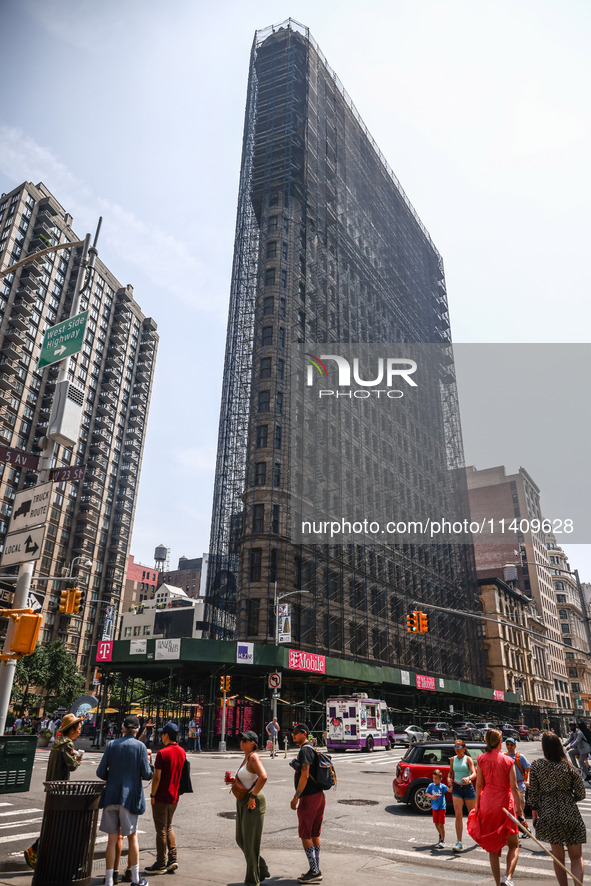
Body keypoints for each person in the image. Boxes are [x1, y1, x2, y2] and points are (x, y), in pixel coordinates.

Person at [96, 714, 152, 886]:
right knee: (132, 837)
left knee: (112, 840)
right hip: (129, 799)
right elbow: (147, 773)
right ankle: (135, 879)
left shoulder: (112, 745)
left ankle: (109, 880)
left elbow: (100, 772)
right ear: (137, 730)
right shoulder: (140, 747)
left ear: (122, 729)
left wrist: (111, 776)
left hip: (111, 796)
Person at [24, 713, 84, 868]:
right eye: (78, 728)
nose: (80, 731)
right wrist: (78, 760)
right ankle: (35, 850)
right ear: (71, 729)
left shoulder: (58, 742)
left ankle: (41, 852)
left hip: (52, 787)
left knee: (53, 823)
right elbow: (72, 766)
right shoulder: (67, 744)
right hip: (60, 790)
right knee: (57, 826)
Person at [467, 728, 524, 886]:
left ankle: (498, 883)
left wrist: (478, 806)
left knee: (493, 848)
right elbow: (514, 788)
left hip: (487, 803)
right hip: (505, 804)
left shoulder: (481, 759)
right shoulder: (507, 761)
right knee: (513, 844)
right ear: (500, 743)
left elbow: (478, 786)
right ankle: (509, 877)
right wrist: (520, 812)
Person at [528, 731, 586, 886]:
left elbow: (533, 794)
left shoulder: (537, 766)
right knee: (576, 857)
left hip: (548, 813)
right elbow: (581, 794)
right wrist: (568, 798)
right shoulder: (568, 767)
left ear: (544, 747)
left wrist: (534, 815)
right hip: (570, 813)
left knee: (558, 858)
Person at [228, 730, 269, 886]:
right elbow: (249, 777)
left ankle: (252, 881)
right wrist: (234, 779)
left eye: (245, 740)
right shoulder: (246, 758)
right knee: (240, 839)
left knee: (250, 842)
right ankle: (261, 868)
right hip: (243, 800)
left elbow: (263, 776)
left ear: (253, 743)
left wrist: (252, 797)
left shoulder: (254, 757)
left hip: (253, 801)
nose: (242, 742)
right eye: (241, 740)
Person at [145, 722, 185, 874]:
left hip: (161, 795)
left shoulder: (162, 753)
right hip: (174, 795)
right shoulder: (182, 752)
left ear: (167, 735)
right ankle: (173, 857)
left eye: (162, 734)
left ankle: (160, 862)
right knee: (169, 826)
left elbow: (156, 777)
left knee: (161, 829)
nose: (161, 736)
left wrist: (153, 795)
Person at [290, 723, 325, 884]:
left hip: (309, 798)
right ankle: (315, 869)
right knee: (314, 834)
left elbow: (304, 775)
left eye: (296, 733)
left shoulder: (305, 750)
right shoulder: (312, 748)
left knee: (305, 834)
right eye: (292, 733)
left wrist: (296, 797)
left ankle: (315, 871)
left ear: (304, 734)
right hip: (319, 796)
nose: (293, 735)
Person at [447, 737, 476, 852]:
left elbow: (474, 773)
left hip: (468, 788)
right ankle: (459, 842)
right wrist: (449, 778)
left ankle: (479, 836)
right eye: (455, 746)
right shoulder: (453, 759)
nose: (456, 749)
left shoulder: (468, 759)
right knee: (458, 815)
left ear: (463, 748)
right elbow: (450, 772)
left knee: (473, 815)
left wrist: (468, 777)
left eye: (458, 747)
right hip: (457, 788)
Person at [504, 738, 531, 837]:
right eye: (508, 744)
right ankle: (517, 830)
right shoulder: (504, 756)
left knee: (519, 810)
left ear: (515, 745)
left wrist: (527, 781)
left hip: (519, 786)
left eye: (511, 744)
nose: (509, 746)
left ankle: (526, 829)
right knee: (512, 810)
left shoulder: (520, 757)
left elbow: (527, 770)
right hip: (509, 787)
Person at [425, 769, 447, 848]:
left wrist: (451, 784)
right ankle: (440, 834)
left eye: (436, 778)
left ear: (440, 779)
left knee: (441, 824)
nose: (434, 780)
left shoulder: (442, 786)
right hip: (434, 807)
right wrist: (431, 796)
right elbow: (426, 793)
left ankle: (442, 840)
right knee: (436, 823)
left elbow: (449, 790)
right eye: (433, 778)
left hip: (442, 807)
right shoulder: (431, 785)